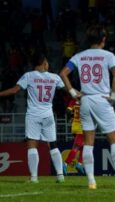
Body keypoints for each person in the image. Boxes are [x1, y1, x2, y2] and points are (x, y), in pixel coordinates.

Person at [60, 25, 115, 190]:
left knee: (88, 142)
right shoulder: (108, 55)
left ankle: (91, 182)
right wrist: (113, 96)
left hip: (85, 101)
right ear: (103, 39)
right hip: (101, 100)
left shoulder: (79, 56)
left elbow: (63, 74)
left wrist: (73, 92)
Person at [0, 53, 65, 183]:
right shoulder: (55, 77)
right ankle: (60, 175)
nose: (48, 64)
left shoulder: (28, 76)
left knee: (32, 145)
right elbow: (65, 89)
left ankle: (34, 177)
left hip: (33, 115)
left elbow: (14, 91)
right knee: (52, 145)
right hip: (48, 115)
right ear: (43, 63)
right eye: (46, 62)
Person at [63, 98, 85, 175]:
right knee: (76, 148)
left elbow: (68, 111)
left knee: (83, 147)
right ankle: (65, 164)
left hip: (75, 126)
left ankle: (79, 164)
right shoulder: (87, 100)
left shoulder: (73, 100)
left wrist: (70, 118)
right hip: (82, 127)